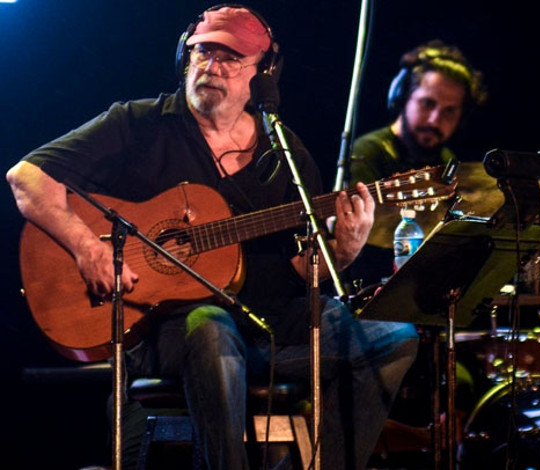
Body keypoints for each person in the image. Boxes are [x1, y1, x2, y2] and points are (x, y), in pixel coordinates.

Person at [6, 4, 418, 470]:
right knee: (209, 325)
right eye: (203, 52)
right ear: (185, 55)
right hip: (163, 329)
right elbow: (27, 175)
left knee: (392, 338)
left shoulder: (286, 154)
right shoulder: (139, 124)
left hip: (265, 330)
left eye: (230, 58)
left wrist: (340, 254)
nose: (211, 68)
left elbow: (297, 273)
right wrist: (87, 248)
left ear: (262, 74)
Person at [347, 39, 488, 288]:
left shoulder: (447, 161)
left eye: (449, 111)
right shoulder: (368, 152)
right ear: (403, 98)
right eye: (428, 103)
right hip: (374, 291)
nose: (435, 119)